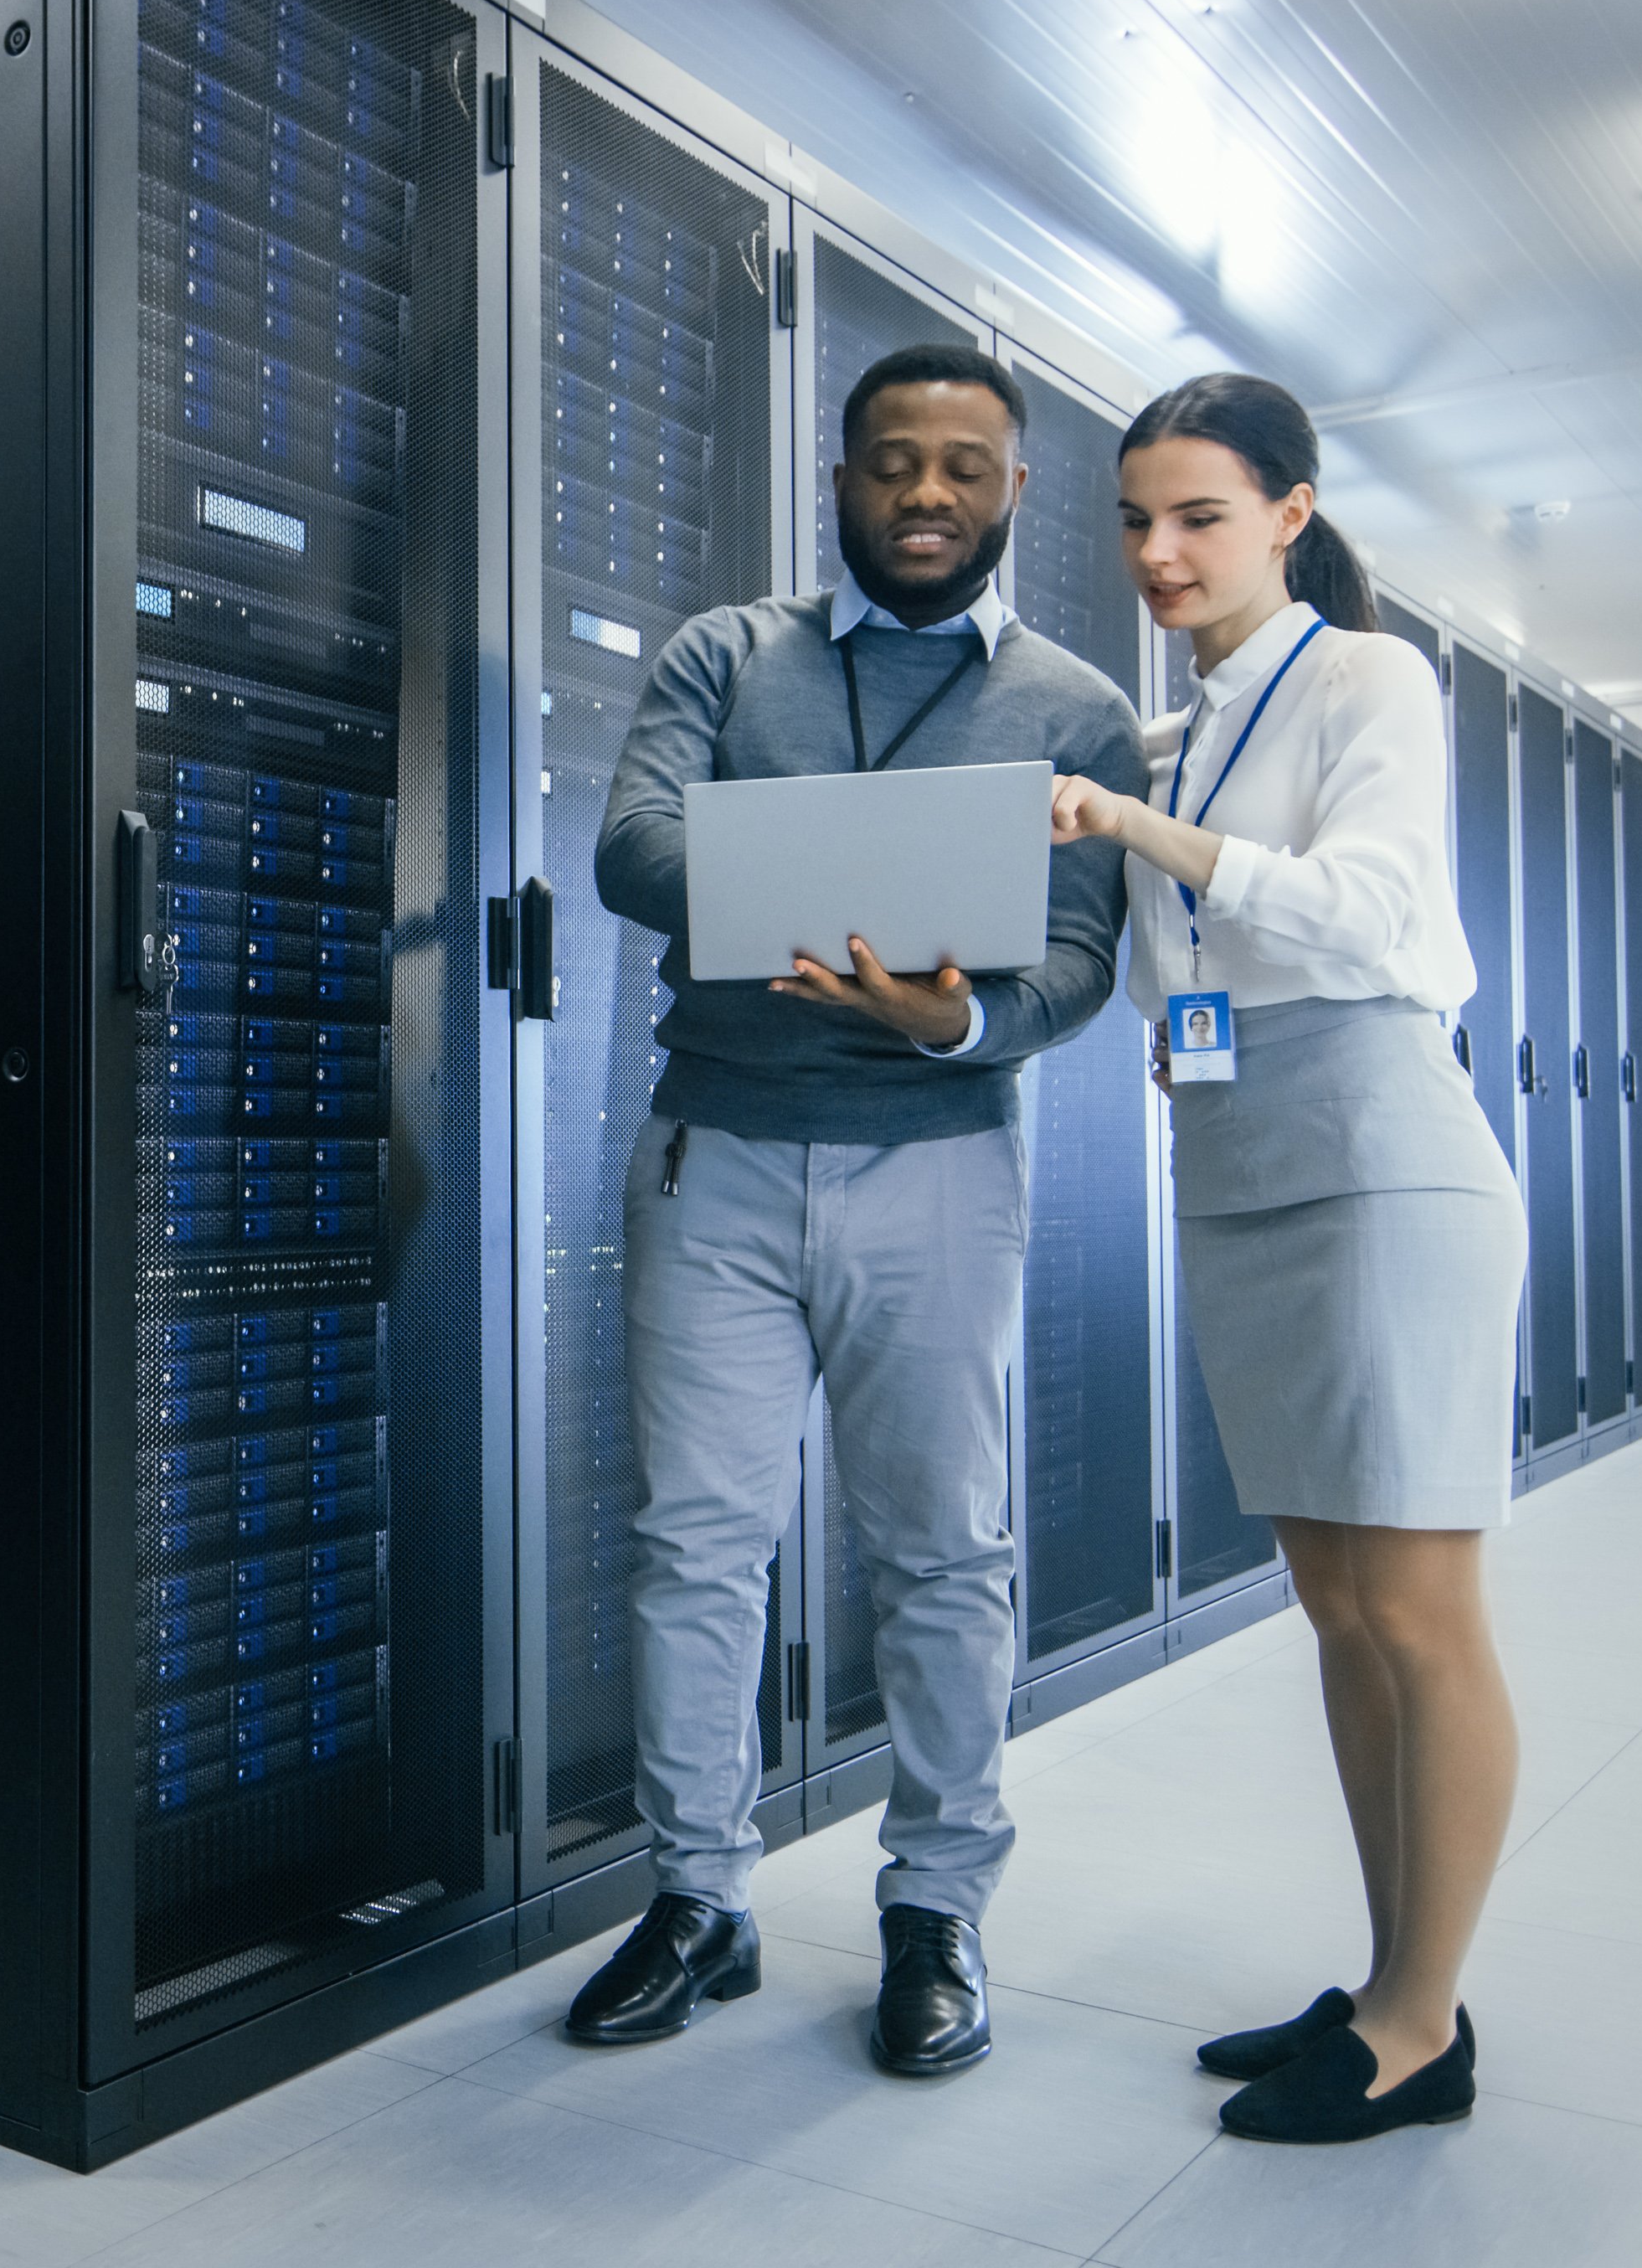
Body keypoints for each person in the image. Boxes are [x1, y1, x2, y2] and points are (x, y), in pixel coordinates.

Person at [568, 343, 1147, 2074]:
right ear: (840, 478)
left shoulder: (1078, 711)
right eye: (891, 463)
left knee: (942, 1554)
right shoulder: (724, 656)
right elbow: (627, 849)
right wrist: (850, 890)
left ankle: (935, 1910)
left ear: (1012, 494)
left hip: (942, 1162)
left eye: (962, 468)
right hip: (717, 1154)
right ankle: (697, 1898)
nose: (924, 495)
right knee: (693, 1544)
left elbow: (1077, 959)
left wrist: (948, 1012)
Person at [1045, 372, 1527, 2144]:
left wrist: (1139, 834)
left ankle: (1421, 2023)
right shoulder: (1167, 744)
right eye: (1133, 520)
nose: (1158, 553)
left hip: (1381, 1158)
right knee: (1332, 1609)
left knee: (1416, 1608)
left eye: (1200, 517)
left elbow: (1378, 914)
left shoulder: (1363, 680)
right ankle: (1388, 1975)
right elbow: (1184, 978)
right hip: (1238, 1160)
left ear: (1291, 516)